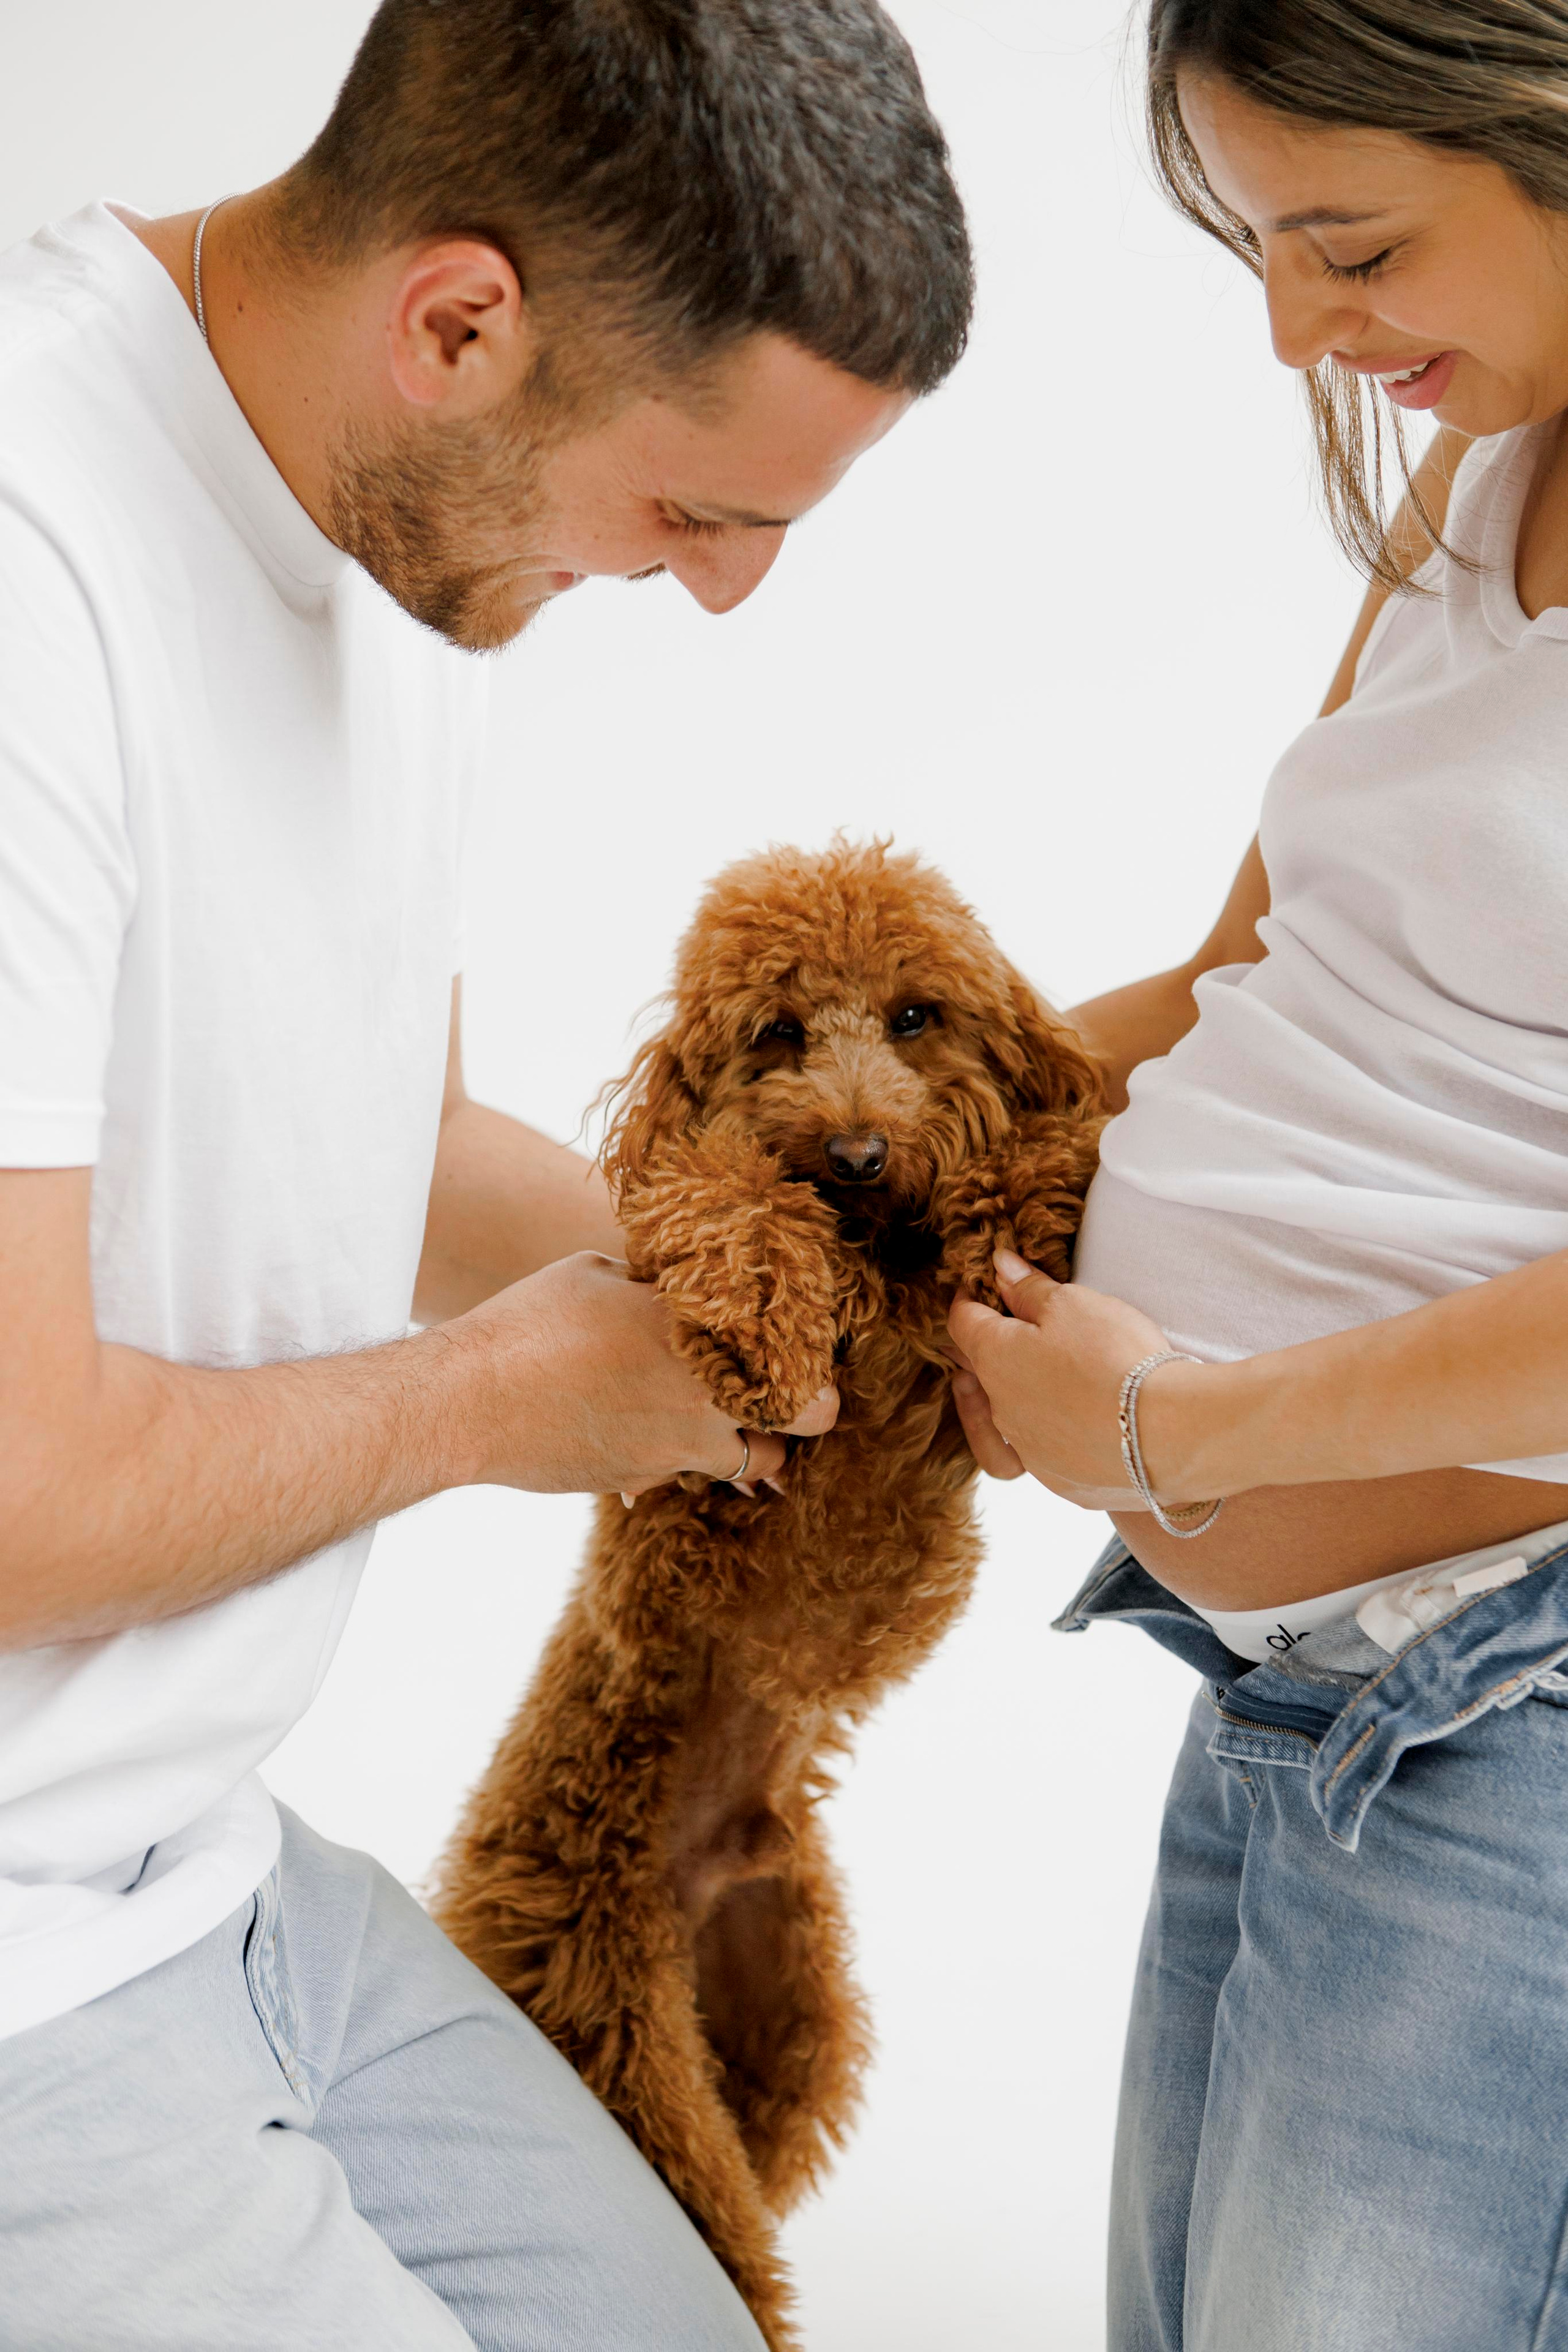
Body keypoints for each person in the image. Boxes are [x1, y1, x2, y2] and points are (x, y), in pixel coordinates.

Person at [0, 3, 973, 2343]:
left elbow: (400, 1144)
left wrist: (871, 1333)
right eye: (699, 510)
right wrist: (510, 1404)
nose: (723, 592)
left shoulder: (405, 530)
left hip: (208, 1867)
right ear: (459, 322)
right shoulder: (38, 575)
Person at [948, 3, 1568, 2345]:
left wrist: (1174, 1431)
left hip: (1511, 1710)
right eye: (1261, 251)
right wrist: (858, 1131)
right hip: (1287, 1682)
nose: (1299, 333)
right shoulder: (1486, 463)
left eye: (1354, 247)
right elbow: (1253, 975)